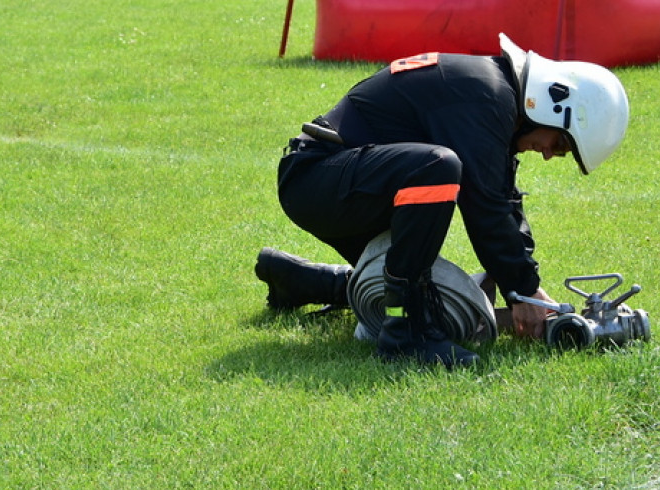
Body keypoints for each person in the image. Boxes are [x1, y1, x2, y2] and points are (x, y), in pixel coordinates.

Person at [257, 34, 629, 368]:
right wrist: (523, 292)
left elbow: (502, 199)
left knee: (436, 297)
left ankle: (302, 281)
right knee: (436, 168)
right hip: (315, 179)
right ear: (553, 101)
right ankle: (405, 334)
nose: (549, 154)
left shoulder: (493, 92)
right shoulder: (487, 95)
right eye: (560, 144)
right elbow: (485, 207)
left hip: (332, 179)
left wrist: (525, 289)